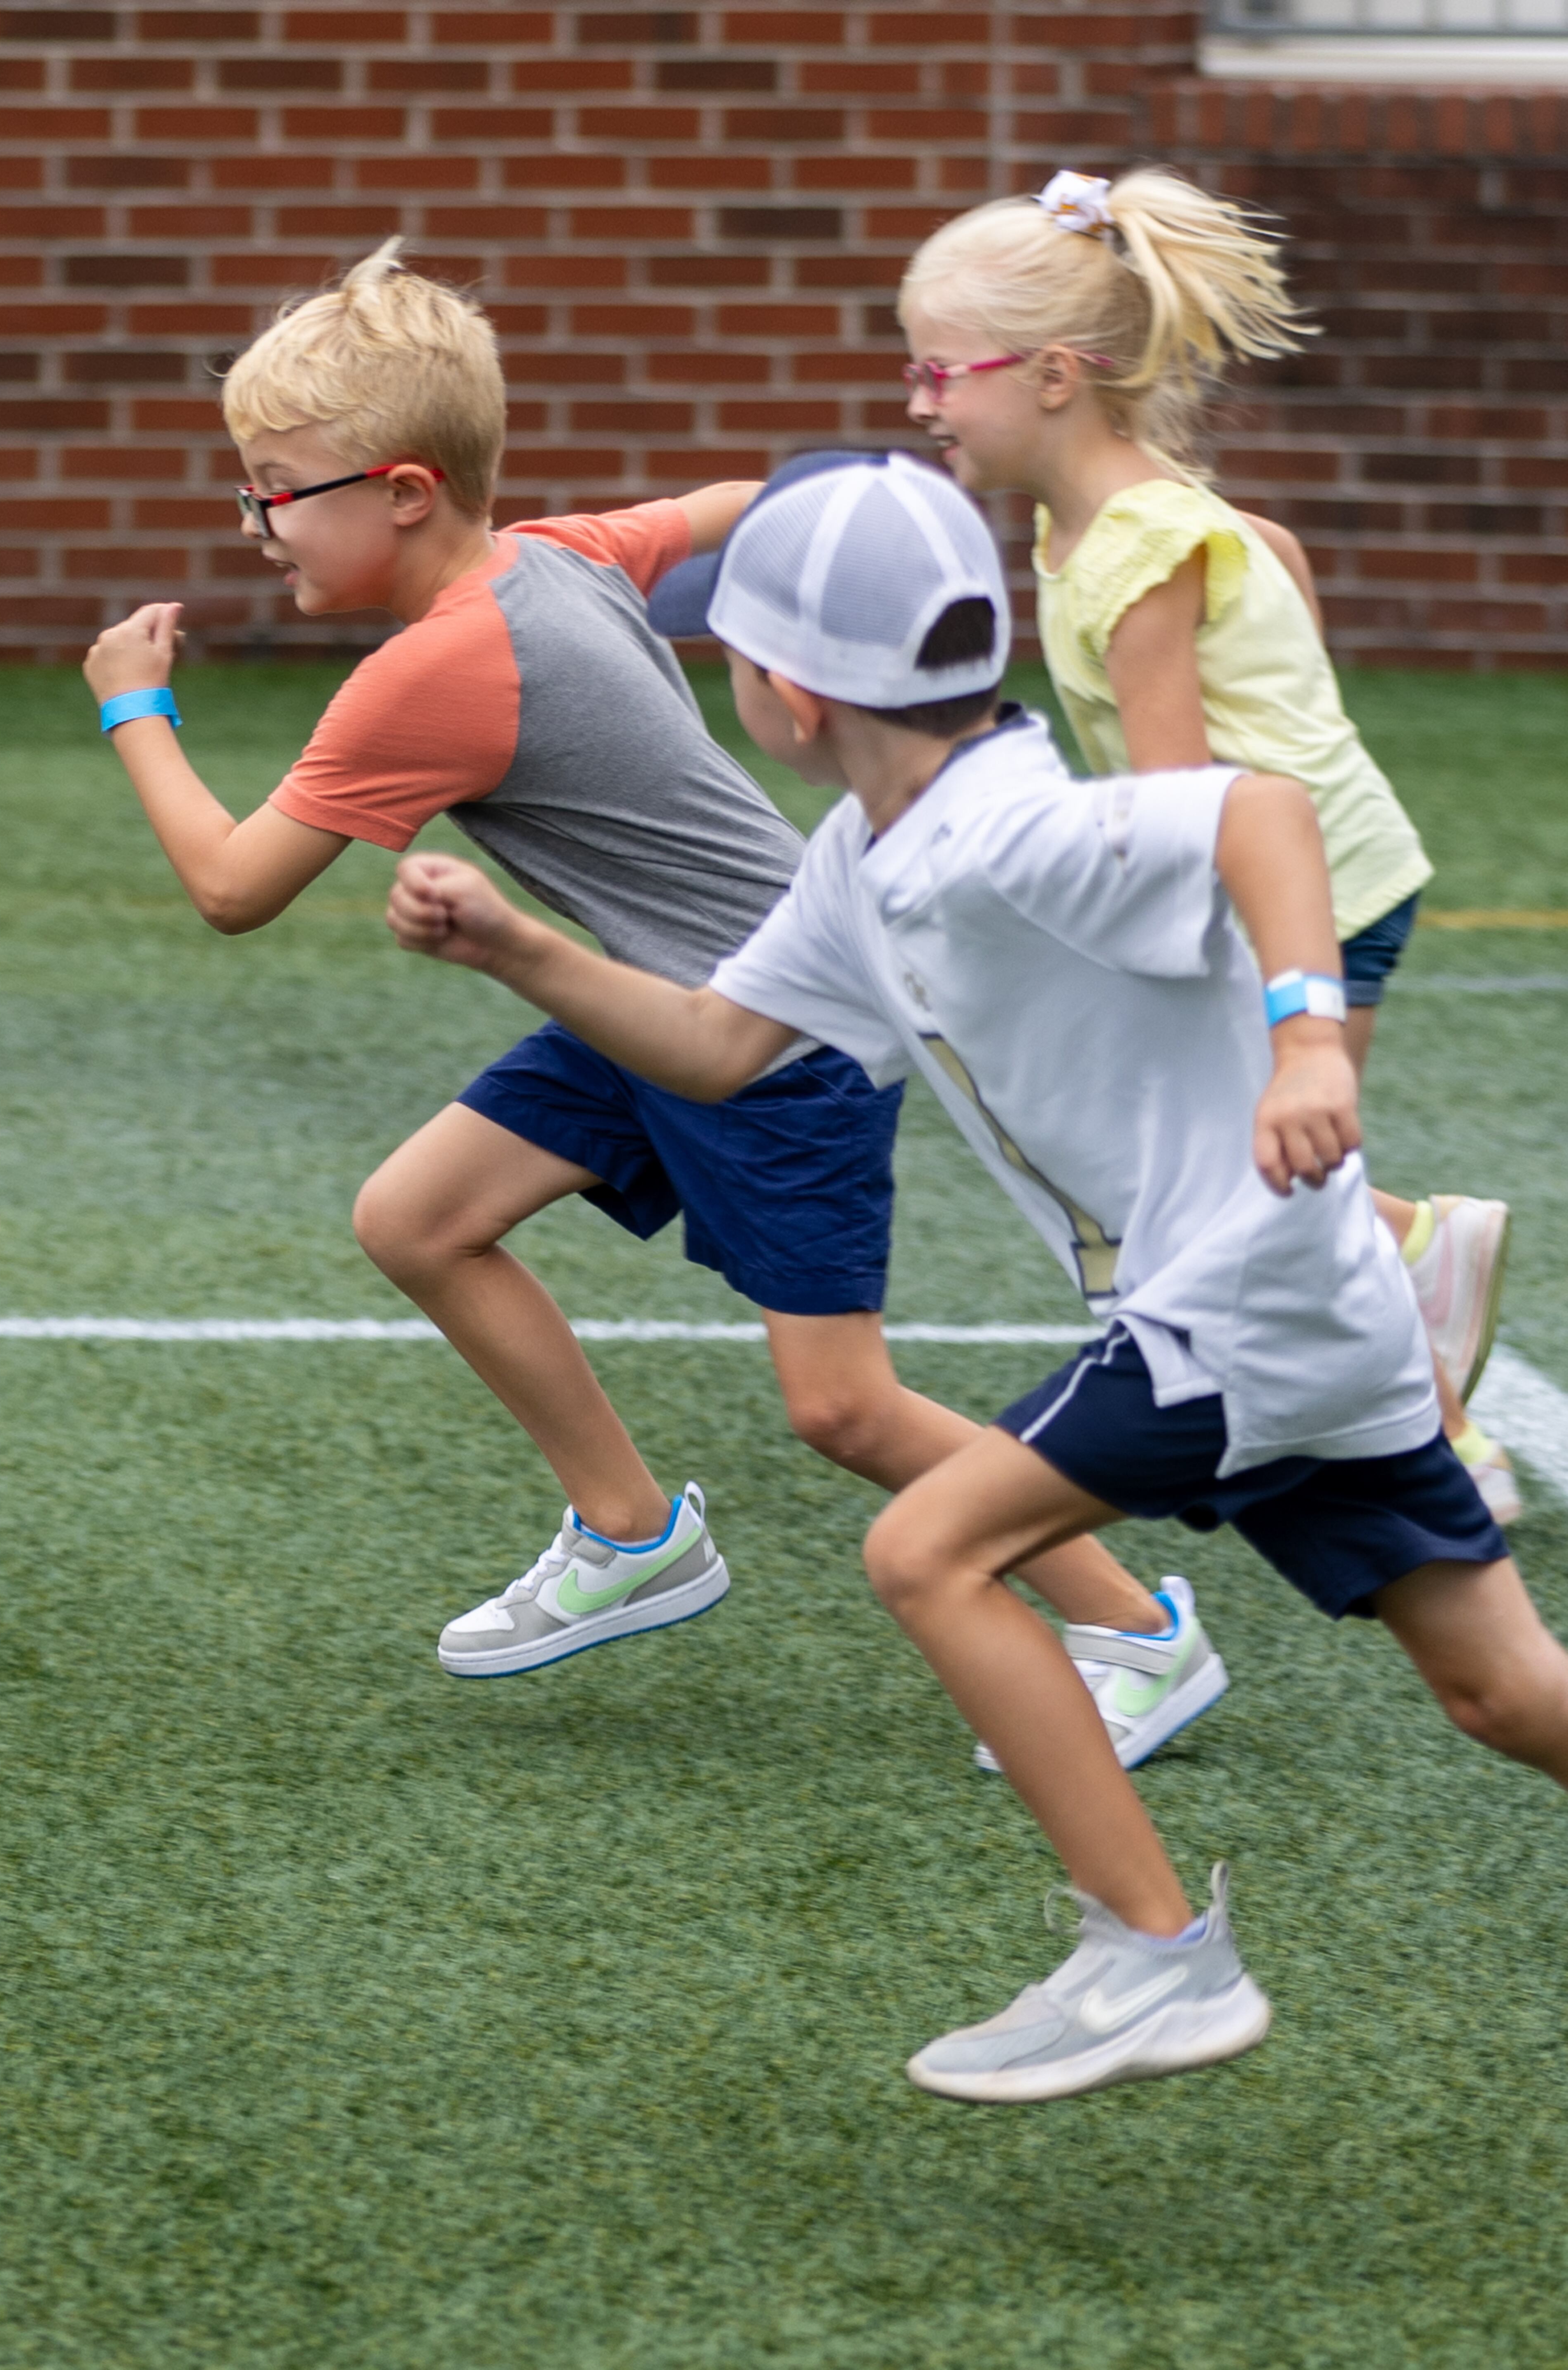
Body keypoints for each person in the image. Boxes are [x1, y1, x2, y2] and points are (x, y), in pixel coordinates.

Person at [384, 451, 1568, 2104]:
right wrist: (524, 949)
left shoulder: (1008, 829)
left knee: (927, 1545)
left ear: (788, 693)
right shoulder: (867, 856)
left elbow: (1259, 810)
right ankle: (1148, 1947)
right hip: (1301, 1318)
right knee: (1502, 1694)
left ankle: (1151, 1951)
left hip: (1244, 1302)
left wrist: (1311, 1040)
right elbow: (722, 1045)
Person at [79, 242, 1210, 1730]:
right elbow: (744, 509)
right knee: (418, 1219)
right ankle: (633, 1532)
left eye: (275, 491)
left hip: (776, 1035)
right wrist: (868, 521)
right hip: (659, 996)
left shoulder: (427, 676)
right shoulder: (551, 549)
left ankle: (1139, 1632)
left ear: (407, 493)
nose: (253, 523)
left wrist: (135, 708)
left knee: (843, 1409)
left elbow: (233, 891)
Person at [897, 167, 1517, 1523]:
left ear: (1055, 375)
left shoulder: (1133, 550)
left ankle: (1441, 1420)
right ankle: (1417, 1249)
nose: (920, 401)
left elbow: (1179, 798)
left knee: (1280, 1171)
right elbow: (1271, 546)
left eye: (945, 373)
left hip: (1317, 893)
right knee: (1269, 1162)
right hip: (1289, 876)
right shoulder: (1107, 519)